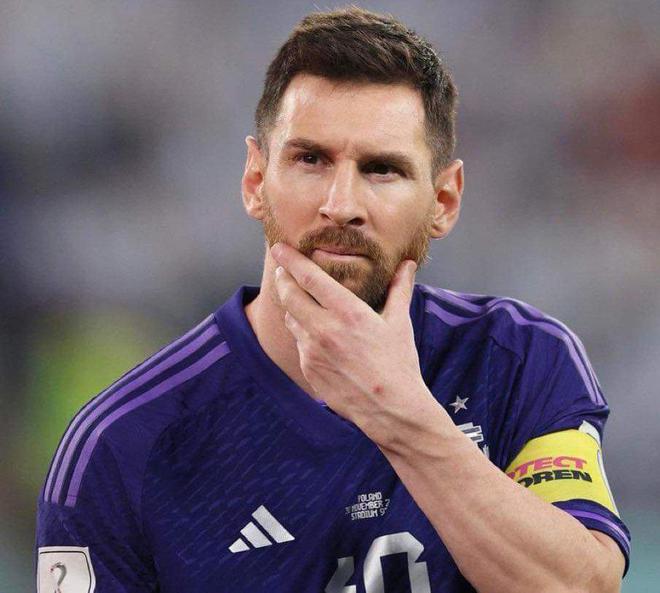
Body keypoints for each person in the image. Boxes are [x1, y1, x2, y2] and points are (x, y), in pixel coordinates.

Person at [36, 7, 630, 593]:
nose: (341, 204)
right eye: (310, 160)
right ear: (255, 181)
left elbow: (584, 587)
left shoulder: (516, 359)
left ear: (443, 201)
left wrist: (400, 415)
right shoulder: (124, 444)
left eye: (382, 169)